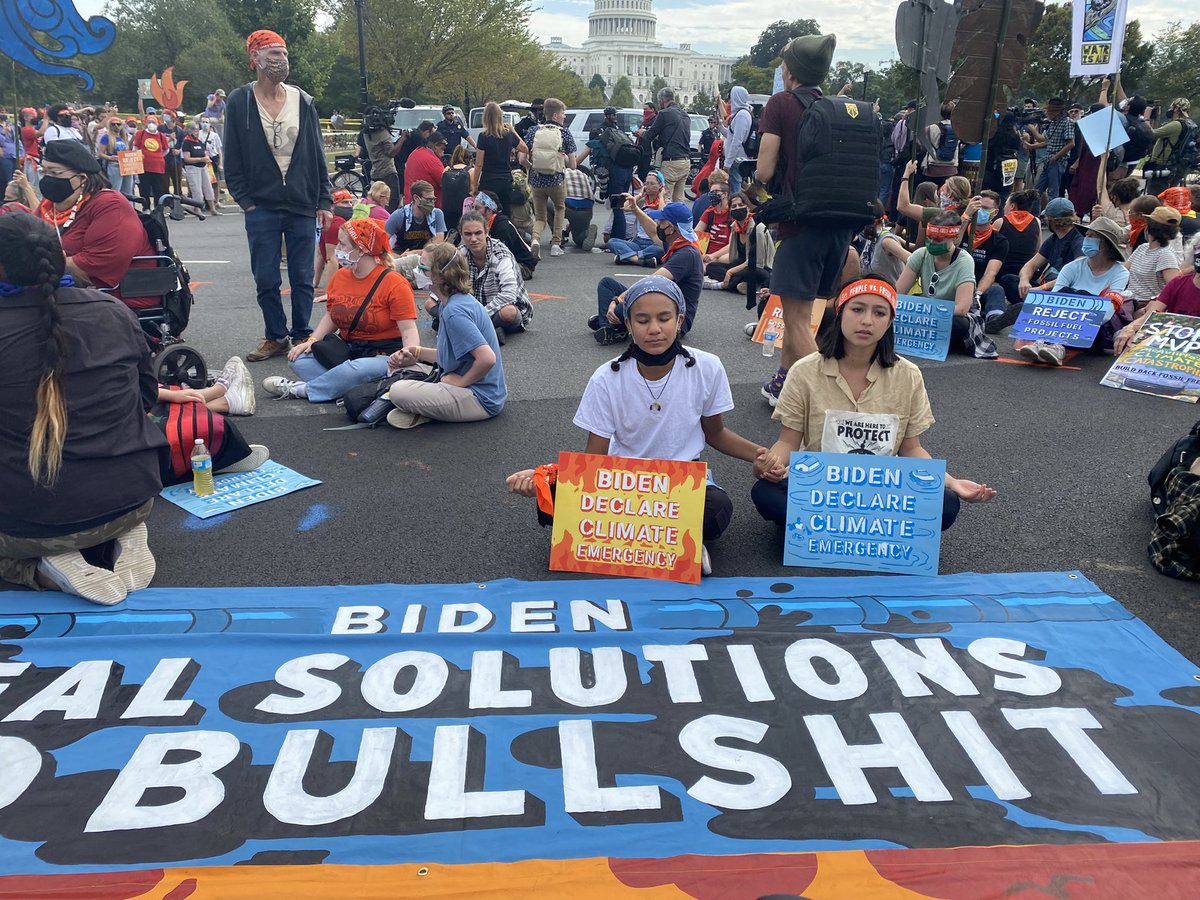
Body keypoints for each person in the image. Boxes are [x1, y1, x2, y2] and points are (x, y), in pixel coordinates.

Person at [508, 276, 770, 575]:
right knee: (552, 498)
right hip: (622, 484)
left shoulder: (707, 367)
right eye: (642, 320)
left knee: (716, 509)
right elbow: (594, 458)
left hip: (681, 481)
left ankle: (628, 543)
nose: (654, 329)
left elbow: (716, 433)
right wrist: (544, 477)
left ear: (680, 319)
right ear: (629, 325)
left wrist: (760, 454)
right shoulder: (607, 378)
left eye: (664, 318)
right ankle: (679, 546)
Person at [0, 211, 164, 605]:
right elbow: (145, 397)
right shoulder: (114, 311)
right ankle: (121, 535)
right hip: (132, 497)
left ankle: (41, 567)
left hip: (34, 518)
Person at [751, 277, 996, 530]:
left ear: (889, 321)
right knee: (766, 493)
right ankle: (868, 529)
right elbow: (788, 441)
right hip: (819, 486)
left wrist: (951, 481)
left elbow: (911, 450)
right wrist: (770, 465)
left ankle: (826, 526)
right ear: (841, 311)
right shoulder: (804, 371)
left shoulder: (908, 375)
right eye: (857, 309)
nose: (867, 321)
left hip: (882, 493)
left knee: (945, 503)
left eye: (879, 313)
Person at [754, 32, 860, 405]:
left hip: (800, 223)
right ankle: (784, 383)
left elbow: (765, 170)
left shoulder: (781, 103)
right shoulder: (833, 106)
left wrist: (754, 185)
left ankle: (832, 396)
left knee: (797, 319)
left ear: (791, 71)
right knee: (801, 307)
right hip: (839, 225)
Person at [225, 29, 333, 362]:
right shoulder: (240, 101)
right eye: (273, 54)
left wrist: (325, 199)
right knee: (266, 277)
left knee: (302, 276)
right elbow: (232, 159)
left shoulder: (303, 100)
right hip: (262, 206)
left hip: (301, 202)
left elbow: (317, 153)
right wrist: (246, 201)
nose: (281, 60)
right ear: (254, 58)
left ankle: (302, 334)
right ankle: (275, 335)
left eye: (284, 54)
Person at [264, 217, 417, 403]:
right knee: (297, 358)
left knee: (354, 369)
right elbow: (333, 316)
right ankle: (356, 390)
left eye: (343, 245)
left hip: (383, 356)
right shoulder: (340, 277)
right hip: (347, 350)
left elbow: (408, 329)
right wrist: (312, 340)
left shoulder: (394, 283)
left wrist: (409, 355)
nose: (337, 250)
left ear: (362, 249)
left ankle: (303, 390)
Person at [385, 240, 507, 428]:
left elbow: (487, 358)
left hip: (480, 397)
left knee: (398, 391)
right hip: (466, 383)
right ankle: (431, 408)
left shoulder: (454, 312)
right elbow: (453, 356)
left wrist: (460, 382)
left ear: (441, 276)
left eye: (423, 267)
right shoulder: (451, 302)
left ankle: (430, 409)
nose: (418, 271)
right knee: (399, 369)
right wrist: (415, 352)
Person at [33, 140, 156, 306]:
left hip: (110, 299)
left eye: (55, 173)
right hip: (61, 290)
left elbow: (94, 266)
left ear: (82, 178)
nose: (48, 178)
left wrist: (36, 263)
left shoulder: (110, 205)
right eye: (45, 171)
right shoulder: (49, 205)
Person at [1016, 216, 1129, 366]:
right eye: (1086, 235)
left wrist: (1075, 321)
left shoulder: (1120, 273)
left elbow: (1107, 312)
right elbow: (1053, 300)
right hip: (1063, 320)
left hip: (1096, 327)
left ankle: (1058, 346)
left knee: (1081, 295)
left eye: (1092, 237)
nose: (1086, 239)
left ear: (1105, 244)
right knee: (1066, 292)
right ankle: (1042, 340)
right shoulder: (1072, 267)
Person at [591, 200, 703, 345]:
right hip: (660, 301)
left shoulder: (687, 254)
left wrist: (618, 300)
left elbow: (652, 282)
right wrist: (636, 210)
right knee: (607, 284)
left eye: (662, 221)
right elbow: (652, 233)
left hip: (674, 318)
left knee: (620, 307)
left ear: (672, 228)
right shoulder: (677, 240)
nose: (658, 224)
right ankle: (610, 323)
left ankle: (610, 327)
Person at [895, 210, 997, 359]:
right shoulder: (921, 254)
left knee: (959, 324)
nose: (931, 243)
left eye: (938, 240)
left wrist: (927, 312)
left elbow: (962, 308)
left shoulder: (964, 261)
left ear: (955, 238)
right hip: (926, 313)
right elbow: (897, 293)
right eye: (929, 238)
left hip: (951, 314)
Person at [439, 211, 532, 340]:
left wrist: (479, 315)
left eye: (478, 233)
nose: (473, 239)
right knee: (430, 304)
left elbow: (509, 294)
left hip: (500, 308)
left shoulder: (501, 254)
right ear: (461, 234)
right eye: (468, 234)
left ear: (486, 232)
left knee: (509, 313)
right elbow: (443, 287)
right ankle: (489, 330)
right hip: (472, 309)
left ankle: (469, 328)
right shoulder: (459, 253)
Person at [1116, 244, 1200, 353]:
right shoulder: (1178, 283)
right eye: (1199, 248)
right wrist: (1130, 328)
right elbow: (1151, 314)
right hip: (1171, 344)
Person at [521, 97, 577, 258]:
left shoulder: (533, 131)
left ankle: (535, 240)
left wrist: (532, 167)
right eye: (562, 114)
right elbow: (573, 165)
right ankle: (556, 244)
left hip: (536, 179)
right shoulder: (564, 133)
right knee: (560, 208)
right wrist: (562, 159)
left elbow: (522, 159)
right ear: (555, 116)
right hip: (556, 179)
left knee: (539, 216)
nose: (564, 117)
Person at [1012, 197, 1083, 311]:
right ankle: (1029, 306)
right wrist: (1024, 281)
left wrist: (1042, 288)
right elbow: (1031, 265)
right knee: (1009, 280)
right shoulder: (1053, 239)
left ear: (1050, 220)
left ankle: (1027, 308)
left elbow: (1077, 275)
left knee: (1065, 291)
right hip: (1047, 287)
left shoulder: (1078, 240)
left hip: (1064, 290)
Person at [707, 190, 774, 295]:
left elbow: (757, 262)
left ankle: (726, 285)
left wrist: (730, 272)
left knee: (746, 273)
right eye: (733, 206)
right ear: (730, 210)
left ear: (747, 207)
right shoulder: (735, 227)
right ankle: (741, 284)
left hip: (759, 268)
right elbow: (735, 258)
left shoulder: (758, 228)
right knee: (712, 267)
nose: (737, 208)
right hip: (741, 265)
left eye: (741, 205)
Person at [964, 191, 1012, 328]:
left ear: (995, 213)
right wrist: (966, 216)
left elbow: (991, 273)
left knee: (996, 290)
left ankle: (994, 319)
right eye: (978, 207)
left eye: (986, 209)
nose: (981, 211)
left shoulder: (999, 241)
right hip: (955, 285)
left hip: (979, 288)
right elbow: (953, 242)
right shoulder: (960, 230)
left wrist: (977, 295)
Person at [637, 88, 692, 202]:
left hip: (671, 161)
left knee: (665, 197)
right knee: (678, 199)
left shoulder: (664, 114)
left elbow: (649, 136)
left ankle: (664, 220)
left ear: (661, 100)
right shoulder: (685, 115)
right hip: (685, 161)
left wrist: (642, 133)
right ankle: (679, 220)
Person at [474, 101, 525, 217]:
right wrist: (514, 132)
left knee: (486, 214)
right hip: (505, 179)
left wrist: (474, 184)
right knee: (506, 213)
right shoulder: (508, 135)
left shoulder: (483, 136)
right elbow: (525, 148)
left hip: (488, 180)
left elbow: (478, 164)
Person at [1126, 206, 1183, 310]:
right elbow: (1123, 270)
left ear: (1150, 227)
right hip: (1128, 302)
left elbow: (1174, 288)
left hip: (1145, 306)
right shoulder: (1142, 248)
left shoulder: (1165, 255)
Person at [471, 190, 538, 279]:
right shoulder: (487, 223)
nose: (472, 211)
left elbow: (500, 257)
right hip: (508, 261)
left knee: (489, 272)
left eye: (477, 208)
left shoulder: (502, 227)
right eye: (473, 207)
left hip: (523, 265)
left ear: (489, 210)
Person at [607, 171, 665, 264]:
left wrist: (661, 196)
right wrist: (640, 195)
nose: (648, 186)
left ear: (660, 186)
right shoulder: (641, 201)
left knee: (661, 250)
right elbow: (624, 207)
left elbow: (662, 215)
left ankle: (627, 257)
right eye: (646, 183)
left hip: (655, 242)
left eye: (652, 184)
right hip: (638, 242)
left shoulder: (666, 202)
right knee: (612, 242)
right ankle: (639, 260)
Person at [385, 179, 447, 260]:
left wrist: (415, 253)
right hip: (401, 256)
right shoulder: (399, 216)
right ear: (416, 198)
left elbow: (437, 244)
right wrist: (397, 257)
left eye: (433, 199)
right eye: (428, 200)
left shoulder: (437, 214)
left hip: (427, 257)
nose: (432, 203)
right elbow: (381, 244)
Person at [1146, 98, 1195, 194]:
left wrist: (1146, 117)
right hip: (1174, 166)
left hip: (1162, 164)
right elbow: (1160, 134)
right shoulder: (1188, 124)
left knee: (1155, 195)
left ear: (1176, 109)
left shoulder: (1176, 125)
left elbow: (1151, 134)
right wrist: (1156, 118)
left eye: (1171, 107)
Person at [314, 190, 356, 298]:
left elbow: (324, 256)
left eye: (350, 202)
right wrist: (328, 290)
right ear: (332, 206)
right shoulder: (335, 223)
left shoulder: (330, 222)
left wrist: (316, 283)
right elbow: (330, 258)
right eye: (344, 202)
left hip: (348, 275)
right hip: (346, 275)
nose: (349, 206)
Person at [1031, 98, 1074, 202]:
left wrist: (1056, 157)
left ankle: (1052, 216)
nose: (1047, 113)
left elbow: (1071, 143)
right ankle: (1035, 213)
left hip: (1057, 162)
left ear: (1057, 112)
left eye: (1049, 111)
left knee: (1053, 192)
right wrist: (1030, 145)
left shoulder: (1067, 122)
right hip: (1048, 161)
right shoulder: (1053, 123)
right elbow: (1045, 140)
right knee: (1037, 190)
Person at [858, 199, 910, 285]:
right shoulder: (870, 238)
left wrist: (900, 289)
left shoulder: (887, 241)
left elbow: (913, 261)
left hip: (890, 293)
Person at [362, 108, 402, 213]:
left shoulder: (367, 134)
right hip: (388, 172)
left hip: (375, 172)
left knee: (377, 201)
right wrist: (403, 139)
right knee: (392, 201)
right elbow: (391, 152)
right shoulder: (383, 133)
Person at [718, 86, 753, 195]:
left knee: (735, 190)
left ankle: (738, 210)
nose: (730, 101)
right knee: (737, 186)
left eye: (731, 97)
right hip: (736, 158)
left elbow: (737, 141)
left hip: (736, 159)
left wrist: (728, 163)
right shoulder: (741, 114)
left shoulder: (741, 115)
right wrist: (720, 128)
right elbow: (731, 136)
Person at [180, 120, 218, 217]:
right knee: (197, 190)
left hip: (203, 167)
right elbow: (187, 158)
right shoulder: (186, 142)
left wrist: (206, 158)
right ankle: (197, 209)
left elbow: (205, 152)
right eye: (195, 131)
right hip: (192, 168)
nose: (197, 133)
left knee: (208, 188)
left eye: (198, 130)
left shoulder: (199, 141)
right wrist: (201, 159)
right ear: (190, 131)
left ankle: (212, 208)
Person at [696, 180, 732, 283]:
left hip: (724, 255)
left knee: (723, 260)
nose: (712, 195)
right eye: (711, 192)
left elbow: (732, 245)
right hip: (708, 254)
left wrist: (714, 256)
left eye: (716, 192)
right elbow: (695, 234)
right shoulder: (709, 212)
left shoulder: (732, 214)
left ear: (725, 194)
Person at [132, 115, 169, 207]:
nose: (151, 124)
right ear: (146, 123)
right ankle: (146, 207)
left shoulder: (161, 136)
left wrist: (158, 156)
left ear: (157, 124)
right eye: (149, 122)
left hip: (158, 167)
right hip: (144, 166)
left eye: (153, 122)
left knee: (158, 189)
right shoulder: (140, 134)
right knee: (145, 189)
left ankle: (158, 208)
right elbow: (135, 148)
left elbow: (166, 150)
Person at [404, 131, 446, 206]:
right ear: (436, 146)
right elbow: (445, 183)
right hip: (425, 206)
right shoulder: (432, 160)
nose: (444, 150)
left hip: (410, 202)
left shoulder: (415, 152)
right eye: (443, 147)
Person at [922, 102, 960, 186]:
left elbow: (924, 147)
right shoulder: (958, 128)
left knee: (931, 194)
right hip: (951, 168)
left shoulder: (930, 128)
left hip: (933, 167)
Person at [96, 116, 135, 197]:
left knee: (128, 190)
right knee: (116, 189)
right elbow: (100, 153)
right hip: (114, 164)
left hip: (126, 165)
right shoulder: (106, 137)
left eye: (118, 124)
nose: (116, 126)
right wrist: (109, 158)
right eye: (113, 124)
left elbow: (128, 151)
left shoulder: (124, 137)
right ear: (110, 126)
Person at [441, 146, 474, 233]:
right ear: (470, 159)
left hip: (447, 208)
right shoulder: (471, 171)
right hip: (464, 209)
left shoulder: (447, 170)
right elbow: (474, 190)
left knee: (449, 231)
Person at [18, 108, 45, 191]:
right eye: (32, 116)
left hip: (38, 159)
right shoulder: (25, 130)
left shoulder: (34, 130)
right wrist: (46, 120)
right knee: (34, 186)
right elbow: (41, 133)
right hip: (31, 160)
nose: (35, 118)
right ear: (26, 118)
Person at [0, 111, 16, 198]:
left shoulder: (11, 125)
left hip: (13, 155)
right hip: (4, 156)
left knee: (15, 179)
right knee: (6, 180)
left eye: (4, 112)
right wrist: (3, 133)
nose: (3, 114)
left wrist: (21, 152)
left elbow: (16, 140)